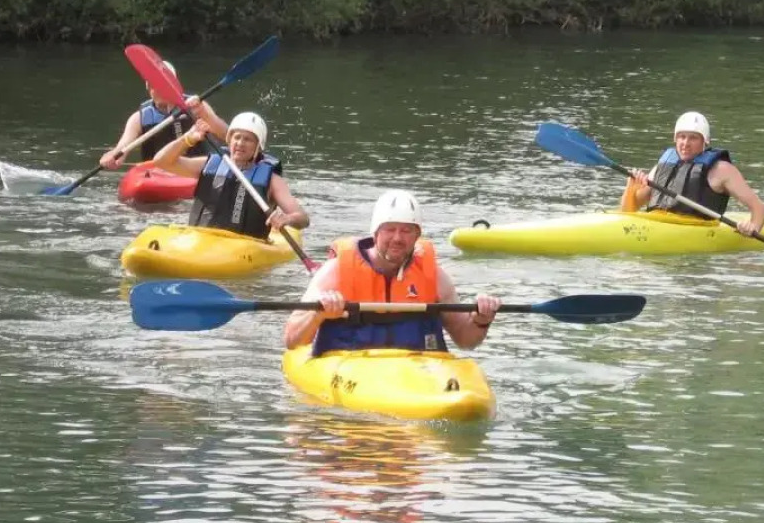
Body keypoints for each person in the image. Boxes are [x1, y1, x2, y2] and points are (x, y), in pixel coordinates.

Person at [283, 190, 500, 355]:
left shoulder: (435, 278)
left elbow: (465, 340)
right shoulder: (335, 272)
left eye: (406, 230)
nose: (397, 238)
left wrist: (481, 319)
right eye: (390, 229)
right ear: (375, 232)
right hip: (350, 370)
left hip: (416, 371)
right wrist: (317, 314)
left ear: (417, 236)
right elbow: (292, 340)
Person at [150, 111, 309, 238]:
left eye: (248, 139)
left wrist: (287, 219)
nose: (240, 143)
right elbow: (161, 161)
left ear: (258, 147)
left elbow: (302, 218)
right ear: (229, 140)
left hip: (244, 247)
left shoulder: (272, 180)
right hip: (200, 239)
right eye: (236, 137)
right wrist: (187, 139)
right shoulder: (208, 165)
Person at [623, 112, 764, 237]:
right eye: (682, 137)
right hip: (656, 222)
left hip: (698, 228)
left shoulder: (722, 170)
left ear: (704, 141)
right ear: (675, 139)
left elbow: (759, 208)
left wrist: (753, 227)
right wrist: (631, 188)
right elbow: (628, 211)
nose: (685, 143)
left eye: (693, 138)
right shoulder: (662, 166)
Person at [99, 61, 228, 169]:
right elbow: (124, 145)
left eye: (164, 85)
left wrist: (205, 115)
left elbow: (226, 135)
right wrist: (115, 155)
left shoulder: (197, 106)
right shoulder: (138, 118)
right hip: (157, 173)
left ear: (174, 86)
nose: (160, 90)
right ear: (149, 88)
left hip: (195, 169)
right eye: (155, 85)